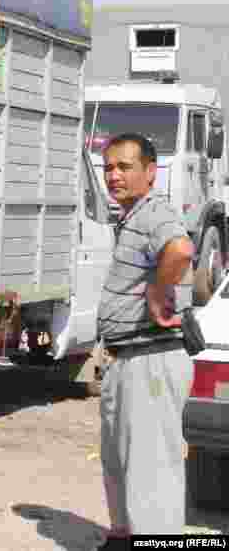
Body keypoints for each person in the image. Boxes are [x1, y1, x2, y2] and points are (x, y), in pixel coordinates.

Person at [96, 132, 195, 546]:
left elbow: (181, 249)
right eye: (108, 168)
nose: (114, 176)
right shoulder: (132, 216)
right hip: (127, 358)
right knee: (120, 464)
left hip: (151, 356)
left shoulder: (155, 213)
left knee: (151, 471)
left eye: (124, 167)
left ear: (150, 172)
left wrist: (157, 290)